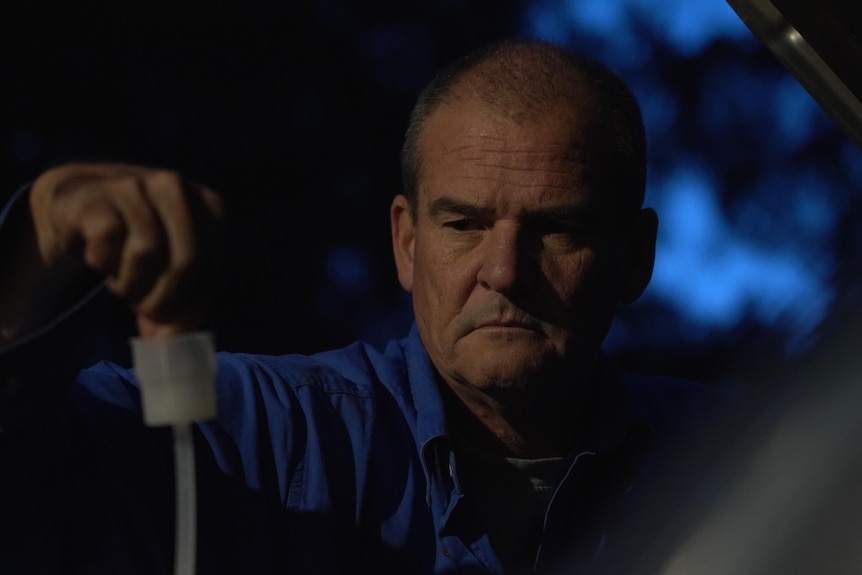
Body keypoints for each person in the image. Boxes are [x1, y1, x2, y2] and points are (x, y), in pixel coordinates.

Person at [0, 40, 724, 574]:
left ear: (635, 256)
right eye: (464, 224)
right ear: (406, 243)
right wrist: (35, 251)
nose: (503, 270)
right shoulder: (267, 433)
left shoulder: (732, 455)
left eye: (556, 227)